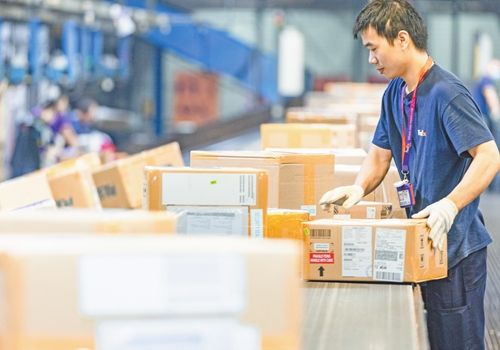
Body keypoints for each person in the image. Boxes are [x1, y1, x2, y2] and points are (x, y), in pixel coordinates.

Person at [319, 1, 500, 349]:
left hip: (455, 250)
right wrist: (357, 189)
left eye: (374, 49)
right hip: (424, 244)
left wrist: (450, 204)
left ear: (402, 40)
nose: (372, 59)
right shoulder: (396, 93)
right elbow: (379, 155)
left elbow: (489, 156)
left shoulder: (446, 93)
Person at [472, 59, 500, 133]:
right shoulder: (486, 80)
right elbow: (490, 96)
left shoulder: (483, 79)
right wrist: (496, 110)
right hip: (481, 116)